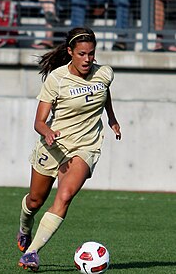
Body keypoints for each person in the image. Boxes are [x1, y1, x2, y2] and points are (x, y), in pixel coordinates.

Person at [17, 26, 121, 271]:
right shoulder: (57, 78)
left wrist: (112, 119)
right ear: (70, 52)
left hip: (85, 146)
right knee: (35, 201)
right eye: (82, 54)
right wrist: (48, 132)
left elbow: (104, 94)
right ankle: (24, 228)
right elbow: (39, 121)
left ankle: (31, 253)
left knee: (64, 196)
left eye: (91, 54)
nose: (88, 59)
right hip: (55, 145)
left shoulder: (104, 73)